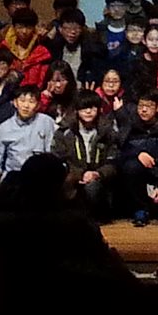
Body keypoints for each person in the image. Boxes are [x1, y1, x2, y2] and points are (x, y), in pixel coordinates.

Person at [118, 89, 158, 224]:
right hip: (140, 179)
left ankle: (156, 207)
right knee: (131, 166)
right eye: (140, 106)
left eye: (148, 106)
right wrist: (138, 153)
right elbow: (119, 153)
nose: (143, 110)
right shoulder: (130, 128)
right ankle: (141, 209)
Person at [52, 90, 120, 220]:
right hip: (72, 177)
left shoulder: (108, 131)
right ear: (76, 110)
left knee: (93, 188)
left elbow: (113, 160)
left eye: (92, 108)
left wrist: (98, 173)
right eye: (84, 108)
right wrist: (79, 174)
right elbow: (59, 158)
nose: (88, 111)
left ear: (99, 109)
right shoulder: (64, 131)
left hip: (100, 179)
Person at [0, 85, 57, 178]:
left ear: (38, 105)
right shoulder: (3, 128)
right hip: (14, 177)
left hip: (40, 176)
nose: (26, 106)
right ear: (15, 103)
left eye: (31, 102)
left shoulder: (47, 122)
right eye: (22, 101)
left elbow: (52, 153)